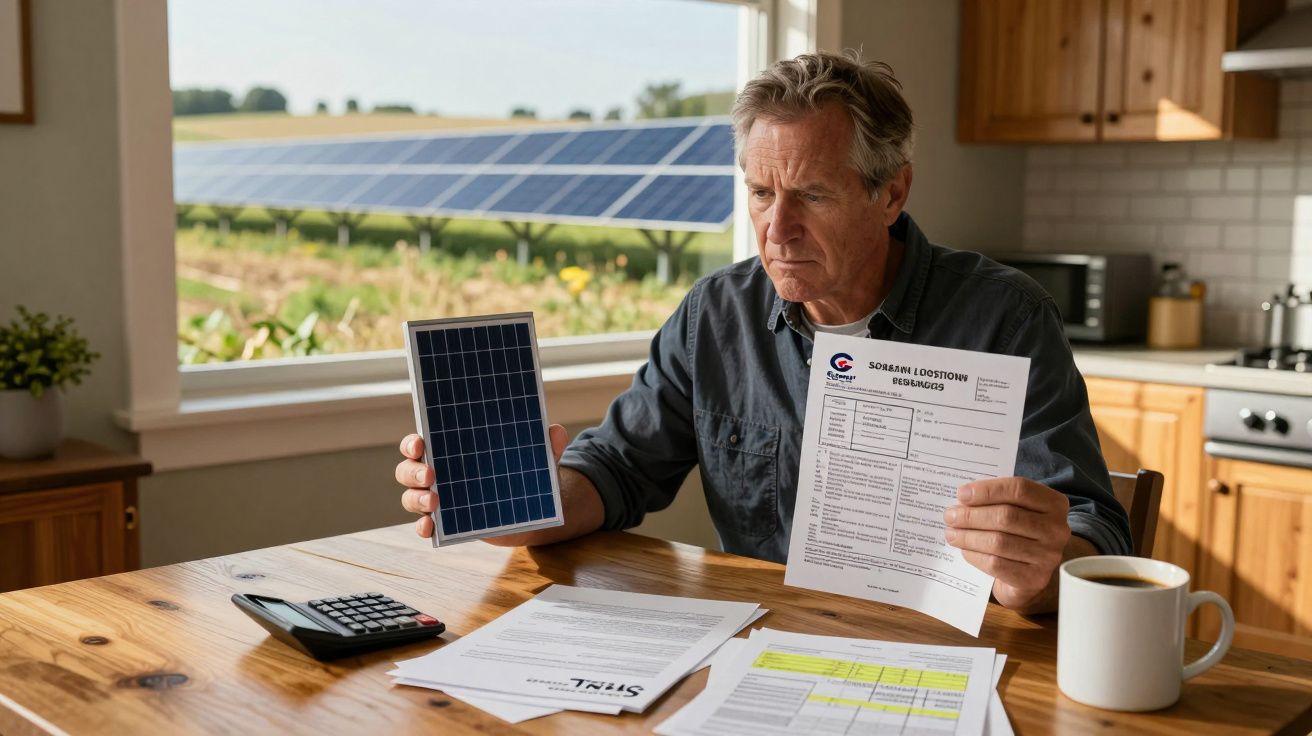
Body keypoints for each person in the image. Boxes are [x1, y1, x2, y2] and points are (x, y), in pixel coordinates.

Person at [395, 50, 1131, 614]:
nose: (777, 231)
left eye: (811, 194)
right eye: (760, 193)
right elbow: (618, 470)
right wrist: (524, 502)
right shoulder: (717, 313)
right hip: (764, 653)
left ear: (891, 192)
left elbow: (1098, 530)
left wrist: (1043, 569)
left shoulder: (1006, 318)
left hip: (951, 655)